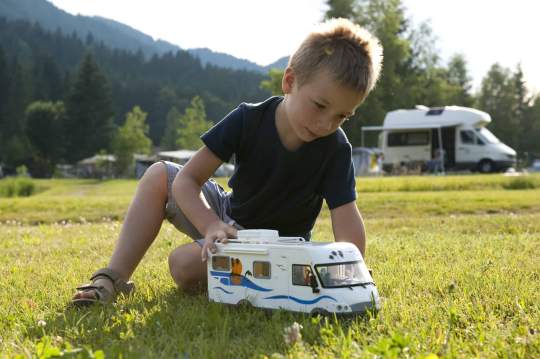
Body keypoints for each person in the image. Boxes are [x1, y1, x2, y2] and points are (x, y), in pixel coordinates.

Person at [71, 18, 383, 306]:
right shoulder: (248, 119)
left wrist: (353, 275)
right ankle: (112, 278)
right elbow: (187, 181)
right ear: (289, 82)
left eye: (342, 115)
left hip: (280, 247)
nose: (326, 124)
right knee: (158, 175)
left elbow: (345, 216)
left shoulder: (335, 147)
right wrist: (210, 226)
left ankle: (254, 281)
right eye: (320, 105)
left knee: (183, 266)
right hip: (228, 218)